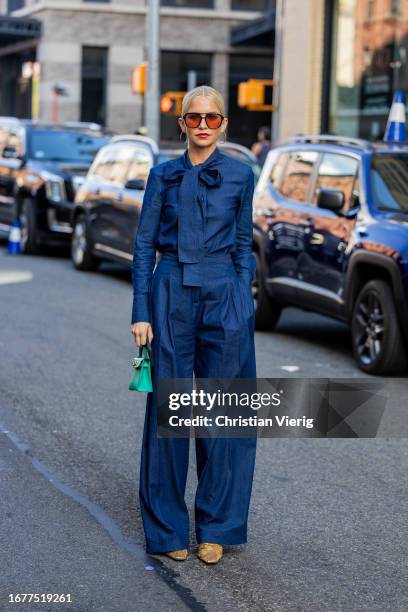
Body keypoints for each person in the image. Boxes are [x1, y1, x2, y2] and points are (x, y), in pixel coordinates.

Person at [130, 85, 257, 565]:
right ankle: (166, 529)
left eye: (212, 117)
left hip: (224, 295)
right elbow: (144, 247)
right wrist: (141, 311)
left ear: (224, 124)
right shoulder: (161, 176)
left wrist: (242, 300)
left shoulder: (241, 176)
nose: (203, 125)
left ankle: (217, 527)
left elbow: (244, 243)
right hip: (170, 294)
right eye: (194, 118)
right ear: (181, 124)